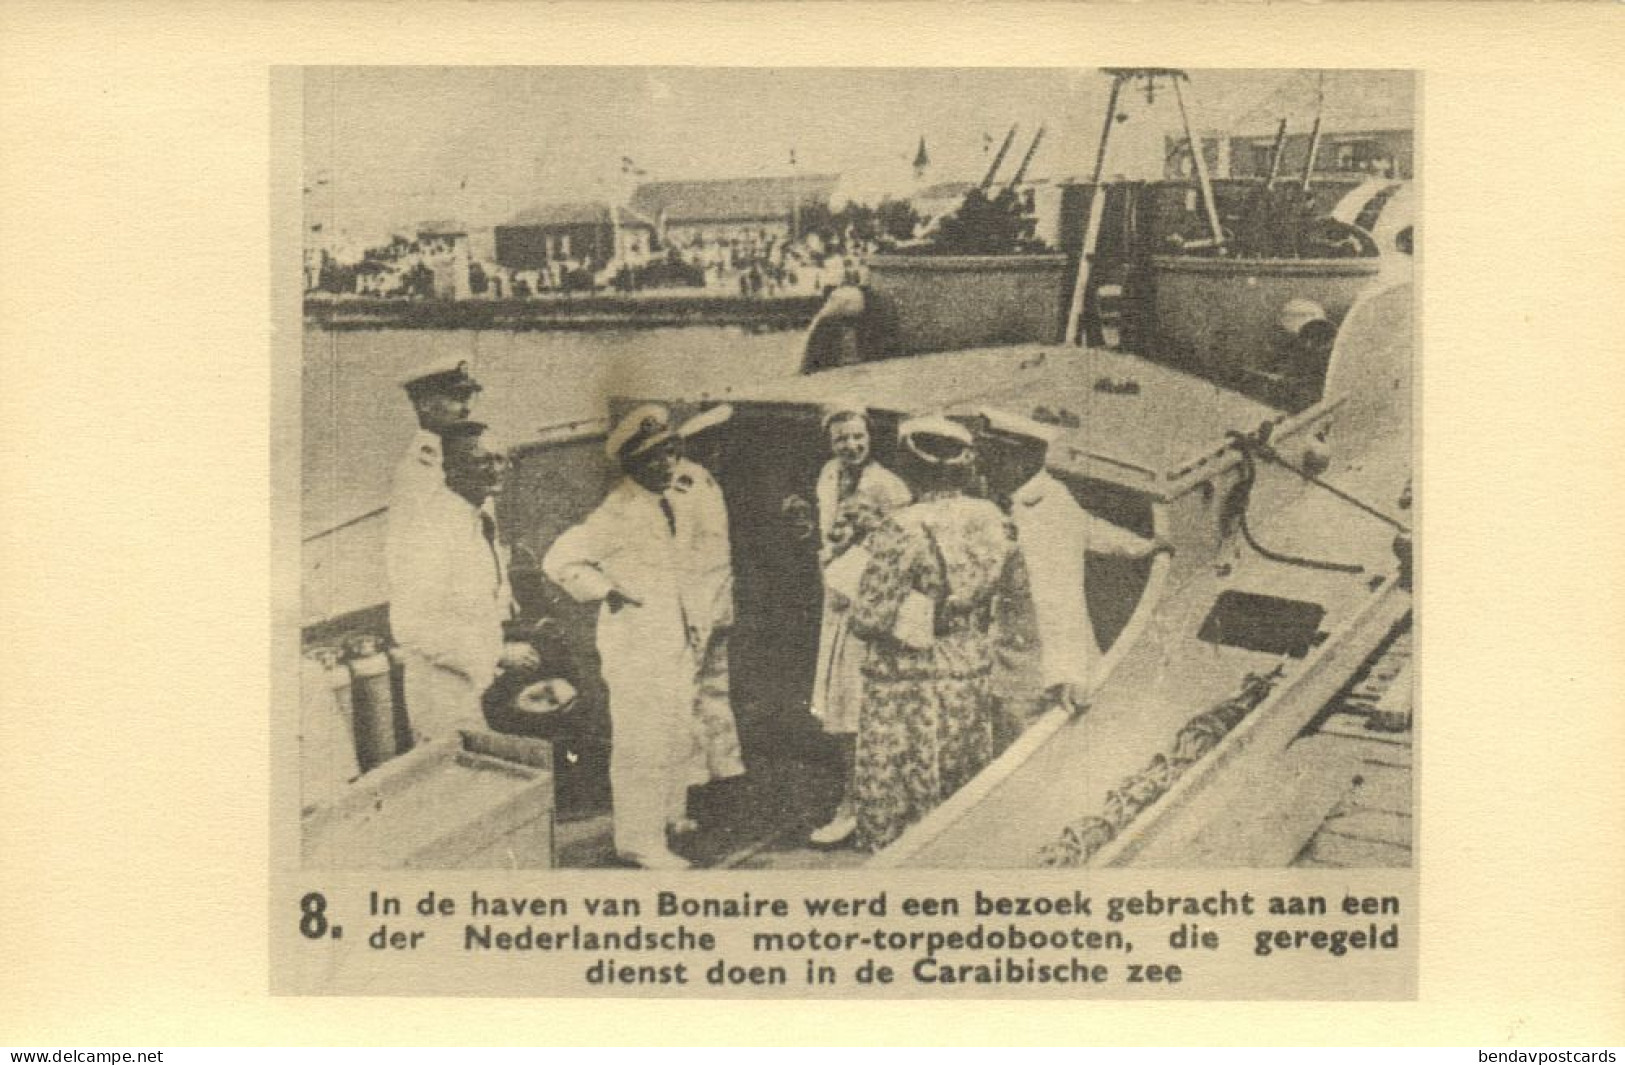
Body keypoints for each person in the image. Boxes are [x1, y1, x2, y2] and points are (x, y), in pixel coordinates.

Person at [846, 415, 1030, 853]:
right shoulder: (991, 518)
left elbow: (868, 617)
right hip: (968, 663)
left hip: (907, 676)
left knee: (906, 794)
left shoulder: (903, 526)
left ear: (910, 465)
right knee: (961, 783)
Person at [542, 404, 702, 870]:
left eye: (668, 452)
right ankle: (638, 841)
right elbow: (559, 560)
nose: (665, 464)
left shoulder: (668, 502)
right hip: (636, 648)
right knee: (642, 744)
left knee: (675, 735)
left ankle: (671, 818)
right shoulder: (617, 511)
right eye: (651, 457)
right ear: (631, 464)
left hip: (674, 641)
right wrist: (606, 590)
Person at [974, 408, 1169, 720]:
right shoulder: (1045, 495)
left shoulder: (1044, 508)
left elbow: (1059, 602)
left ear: (1026, 460)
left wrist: (1068, 674)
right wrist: (1141, 546)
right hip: (1011, 657)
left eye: (997, 457)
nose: (986, 467)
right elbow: (1091, 529)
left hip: (1038, 672)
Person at [388, 420, 539, 743]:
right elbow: (411, 628)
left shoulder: (478, 517)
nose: (496, 469)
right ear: (451, 468)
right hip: (443, 695)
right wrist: (497, 653)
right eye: (482, 461)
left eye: (500, 459)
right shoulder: (431, 529)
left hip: (480, 685)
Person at [807, 405, 912, 845]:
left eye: (857, 437)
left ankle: (865, 805)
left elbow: (902, 549)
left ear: (869, 437)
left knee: (864, 706)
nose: (850, 446)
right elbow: (827, 534)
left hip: (871, 609)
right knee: (840, 708)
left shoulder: (889, 486)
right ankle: (854, 804)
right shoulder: (829, 477)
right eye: (841, 439)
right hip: (837, 607)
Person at [669, 405, 746, 801]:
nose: (719, 448)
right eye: (710, 442)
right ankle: (694, 772)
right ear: (693, 445)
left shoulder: (708, 480)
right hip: (695, 603)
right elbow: (679, 553)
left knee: (716, 686)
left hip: (716, 601)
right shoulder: (684, 483)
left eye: (720, 441)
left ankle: (724, 764)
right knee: (691, 689)